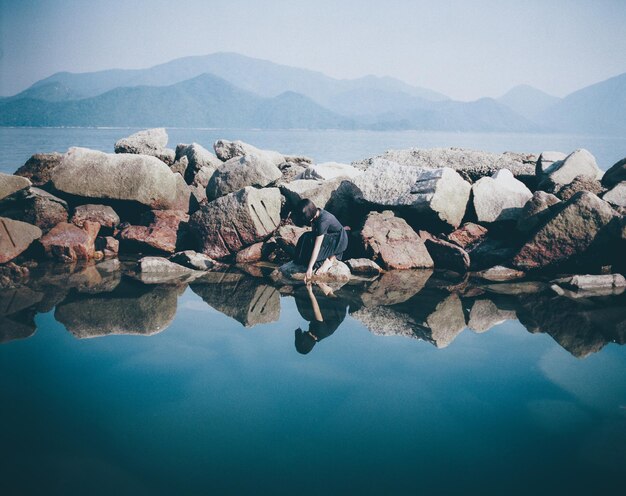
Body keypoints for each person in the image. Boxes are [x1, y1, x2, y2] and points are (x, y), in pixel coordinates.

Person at [292, 199, 349, 282]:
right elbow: (313, 234)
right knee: (304, 238)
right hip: (329, 236)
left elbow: (317, 247)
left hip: (338, 240)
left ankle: (329, 260)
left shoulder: (323, 221)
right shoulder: (315, 214)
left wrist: (310, 268)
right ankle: (326, 257)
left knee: (314, 261)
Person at [293, 283, 348, 355]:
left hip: (338, 309)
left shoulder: (315, 334)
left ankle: (329, 292)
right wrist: (310, 292)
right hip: (338, 309)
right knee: (307, 314)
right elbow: (317, 311)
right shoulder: (319, 332)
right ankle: (324, 291)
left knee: (308, 315)